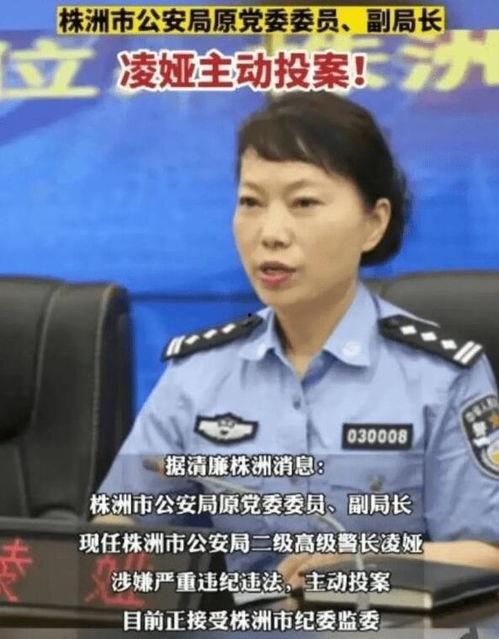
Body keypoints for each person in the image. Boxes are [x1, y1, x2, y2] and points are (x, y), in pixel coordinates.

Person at [96, 91, 499, 590]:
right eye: (251, 202)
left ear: (373, 224)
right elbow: (121, 526)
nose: (271, 233)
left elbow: (487, 553)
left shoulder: (441, 377)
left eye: (303, 203)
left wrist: (366, 563)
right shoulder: (198, 374)